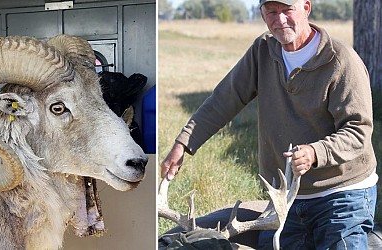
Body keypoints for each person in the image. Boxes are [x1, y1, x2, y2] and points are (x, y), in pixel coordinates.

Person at [160, 0, 378, 248]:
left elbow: (359, 131)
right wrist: (183, 143)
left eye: (287, 10)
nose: (280, 20)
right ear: (262, 14)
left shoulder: (341, 60)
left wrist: (315, 152)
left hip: (342, 194)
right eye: (271, 12)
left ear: (306, 8)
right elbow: (224, 100)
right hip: (286, 199)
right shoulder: (263, 50)